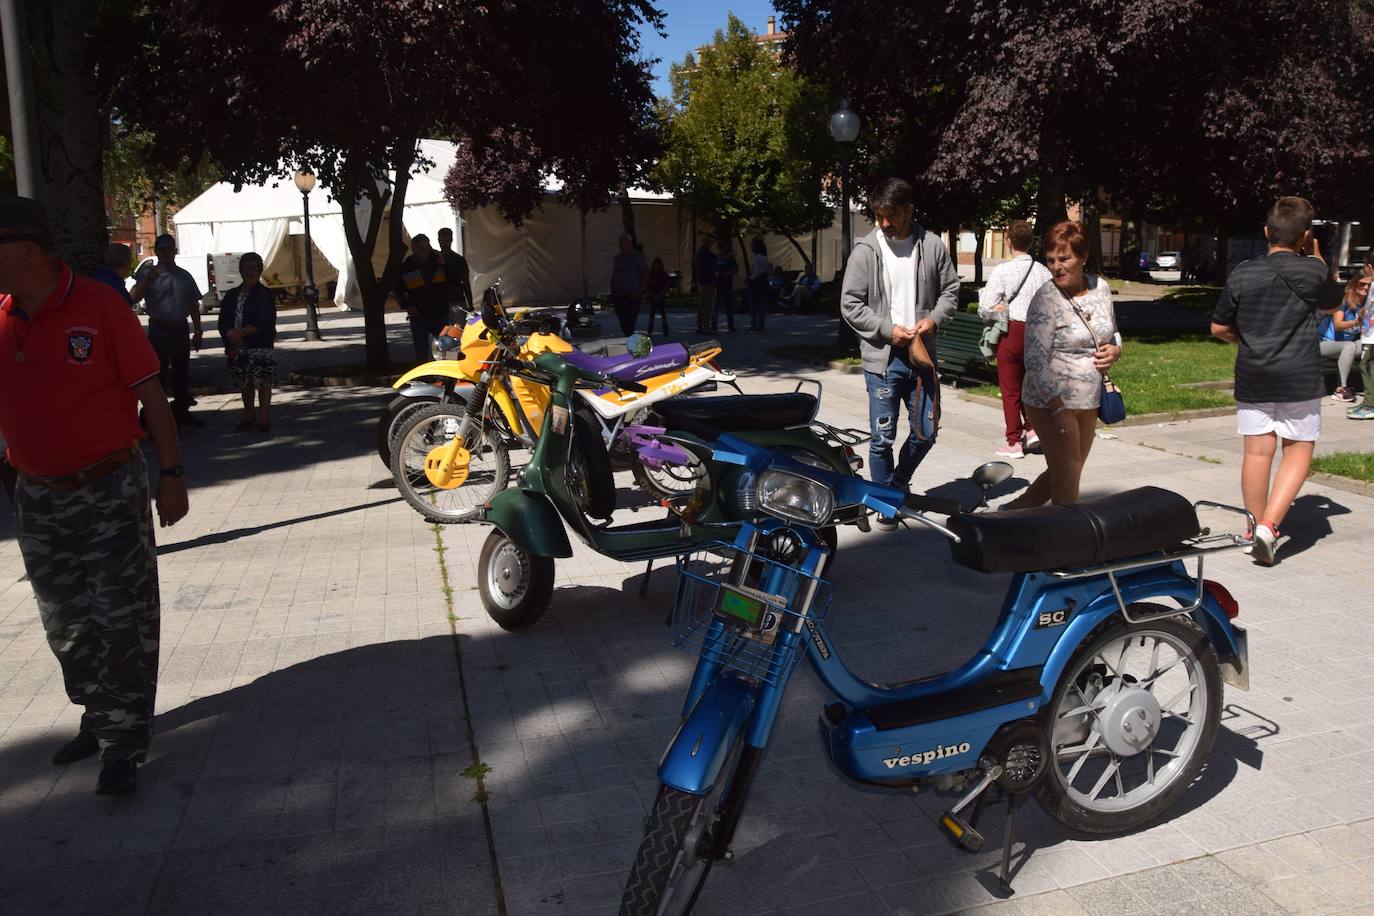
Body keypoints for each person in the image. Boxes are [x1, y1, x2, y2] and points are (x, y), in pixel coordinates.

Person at [0, 196, 188, 796]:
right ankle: (97, 714)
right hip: (37, 495)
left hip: (108, 485)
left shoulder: (100, 304)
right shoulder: (1, 319)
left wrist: (172, 472)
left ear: (27, 250)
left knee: (121, 619)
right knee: (66, 625)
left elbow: (152, 396)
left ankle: (122, 744)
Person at [1210, 196, 1328, 566]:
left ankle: (1251, 527)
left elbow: (1219, 327)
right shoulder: (1314, 270)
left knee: (1257, 452)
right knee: (1298, 450)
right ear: (1306, 236)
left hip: (1254, 371)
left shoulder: (1243, 272)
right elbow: (1332, 299)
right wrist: (1317, 255)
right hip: (1299, 375)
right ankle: (1270, 526)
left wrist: (1244, 339)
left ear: (1266, 232)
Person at [840, 177, 960, 529]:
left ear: (910, 210)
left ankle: (891, 487)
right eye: (879, 215)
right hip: (883, 359)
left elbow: (951, 291)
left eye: (891, 215)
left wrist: (934, 321)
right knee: (882, 438)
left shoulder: (933, 246)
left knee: (927, 432)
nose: (885, 223)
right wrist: (886, 330)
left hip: (922, 356)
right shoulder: (866, 251)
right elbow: (850, 304)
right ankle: (886, 504)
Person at [1003, 222, 1121, 511]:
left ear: (1083, 256)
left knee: (1069, 468)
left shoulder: (1100, 288)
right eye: (1051, 260)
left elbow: (1112, 331)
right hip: (1049, 400)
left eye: (1064, 258)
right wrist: (1059, 409)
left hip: (1089, 398)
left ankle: (1014, 512)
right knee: (1067, 478)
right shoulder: (1046, 298)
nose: (1056, 267)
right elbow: (1034, 360)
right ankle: (1067, 542)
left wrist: (1116, 349)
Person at [977, 219, 1053, 459]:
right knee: (1030, 386)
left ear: (1008, 241)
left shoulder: (1002, 270)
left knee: (1010, 390)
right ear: (1031, 242)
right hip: (1038, 334)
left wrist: (1000, 308)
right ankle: (1032, 430)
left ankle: (1013, 442)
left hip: (1012, 333)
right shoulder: (1043, 271)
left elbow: (985, 306)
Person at [130, 233, 205, 426]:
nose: (164, 254)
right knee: (158, 372)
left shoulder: (184, 275)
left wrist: (198, 331)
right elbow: (133, 298)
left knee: (182, 371)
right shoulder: (148, 275)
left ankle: (181, 411)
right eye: (160, 250)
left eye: (168, 250)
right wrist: (147, 280)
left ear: (175, 251)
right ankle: (156, 416)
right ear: (156, 252)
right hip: (158, 328)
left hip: (179, 327)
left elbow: (193, 304)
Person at [217, 253, 278, 433]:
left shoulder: (265, 293)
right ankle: (248, 415)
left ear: (259, 270)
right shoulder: (232, 294)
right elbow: (223, 320)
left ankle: (264, 417)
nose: (250, 271)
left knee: (263, 381)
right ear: (240, 270)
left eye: (254, 267)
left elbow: (265, 320)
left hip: (260, 345)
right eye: (246, 267)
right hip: (238, 346)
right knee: (245, 382)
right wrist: (230, 334)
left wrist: (242, 332)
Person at [397, 234, 449, 361]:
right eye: (420, 248)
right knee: (420, 351)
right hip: (419, 315)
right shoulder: (408, 265)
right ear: (414, 249)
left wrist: (445, 265)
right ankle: (424, 377)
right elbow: (398, 289)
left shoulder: (438, 261)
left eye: (426, 248)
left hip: (440, 313)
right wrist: (407, 305)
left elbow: (453, 281)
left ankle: (446, 377)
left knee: (445, 349)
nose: (424, 251)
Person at [1318, 272, 1366, 403]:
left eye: (1369, 285)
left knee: (1368, 344)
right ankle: (1341, 389)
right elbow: (1338, 325)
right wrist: (1356, 322)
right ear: (1354, 285)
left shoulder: (1367, 304)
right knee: (1349, 346)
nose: (1365, 287)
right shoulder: (1343, 301)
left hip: (1348, 345)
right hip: (1326, 343)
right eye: (1362, 284)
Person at [610, 233, 648, 336]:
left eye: (625, 243)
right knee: (623, 322)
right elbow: (615, 275)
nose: (622, 245)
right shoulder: (618, 258)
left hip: (632, 295)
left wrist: (637, 293)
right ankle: (628, 337)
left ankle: (631, 342)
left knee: (629, 323)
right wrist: (613, 292)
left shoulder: (638, 257)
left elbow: (644, 276)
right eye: (621, 243)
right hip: (619, 296)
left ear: (630, 243)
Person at [436, 227, 472, 321]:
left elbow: (466, 282)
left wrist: (470, 304)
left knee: (458, 331)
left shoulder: (459, 260)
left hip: (457, 299)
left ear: (451, 240)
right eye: (441, 240)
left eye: (446, 240)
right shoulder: (434, 259)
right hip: (440, 301)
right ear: (438, 240)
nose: (444, 244)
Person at [91, 243, 135, 308]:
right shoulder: (117, 286)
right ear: (127, 262)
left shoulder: (94, 277)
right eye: (131, 261)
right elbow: (126, 307)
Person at [712, 238, 738, 333]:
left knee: (729, 306)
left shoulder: (730, 258)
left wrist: (728, 273)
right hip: (718, 285)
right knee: (715, 306)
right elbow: (713, 270)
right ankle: (714, 326)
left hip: (727, 285)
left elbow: (736, 270)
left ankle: (731, 326)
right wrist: (716, 273)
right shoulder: (715, 258)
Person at [746, 238, 770, 332]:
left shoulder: (756, 258)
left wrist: (750, 278)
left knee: (753, 305)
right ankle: (761, 325)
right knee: (761, 305)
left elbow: (757, 271)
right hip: (763, 282)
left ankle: (754, 325)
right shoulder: (764, 257)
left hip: (756, 283)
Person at [693, 235, 716, 334]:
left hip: (701, 281)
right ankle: (706, 326)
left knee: (702, 305)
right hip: (708, 281)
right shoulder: (707, 254)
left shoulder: (698, 254)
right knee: (707, 305)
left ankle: (700, 326)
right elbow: (713, 262)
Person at [645, 257, 670, 336]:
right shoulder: (650, 274)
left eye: (657, 265)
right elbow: (646, 285)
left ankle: (665, 329)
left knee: (663, 312)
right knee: (652, 313)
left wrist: (663, 293)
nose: (656, 266)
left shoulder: (663, 274)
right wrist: (650, 294)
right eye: (655, 265)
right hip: (653, 295)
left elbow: (666, 284)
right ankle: (650, 329)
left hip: (661, 295)